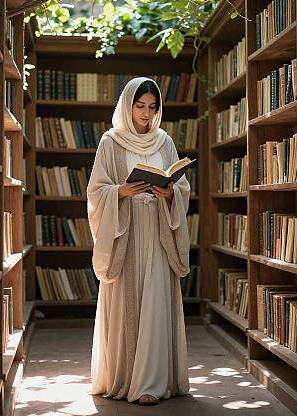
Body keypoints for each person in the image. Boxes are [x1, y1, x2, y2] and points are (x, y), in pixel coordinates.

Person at [87, 77, 191, 406]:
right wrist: (120, 191)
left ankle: (152, 383)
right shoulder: (110, 142)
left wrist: (170, 191)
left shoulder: (164, 142)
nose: (146, 113)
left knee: (156, 300)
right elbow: (95, 192)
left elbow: (183, 187)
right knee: (127, 304)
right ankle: (124, 379)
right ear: (128, 105)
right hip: (125, 234)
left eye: (152, 107)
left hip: (158, 232)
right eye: (140, 105)